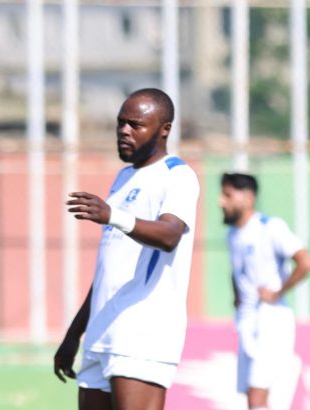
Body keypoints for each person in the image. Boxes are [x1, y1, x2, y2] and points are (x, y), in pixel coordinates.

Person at [53, 88, 199, 409]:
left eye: (135, 124)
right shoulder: (123, 177)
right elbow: (109, 270)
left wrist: (113, 215)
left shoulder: (178, 176)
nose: (124, 131)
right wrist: (74, 334)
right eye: (121, 123)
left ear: (164, 129)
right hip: (101, 334)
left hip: (141, 336)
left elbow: (170, 234)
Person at [219, 172, 310, 410]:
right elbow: (237, 271)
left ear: (248, 198)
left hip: (270, 319)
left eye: (228, 195)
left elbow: (305, 262)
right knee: (253, 398)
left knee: (257, 396)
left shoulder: (269, 227)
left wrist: (278, 291)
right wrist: (236, 297)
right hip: (247, 320)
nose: (221, 202)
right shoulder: (232, 234)